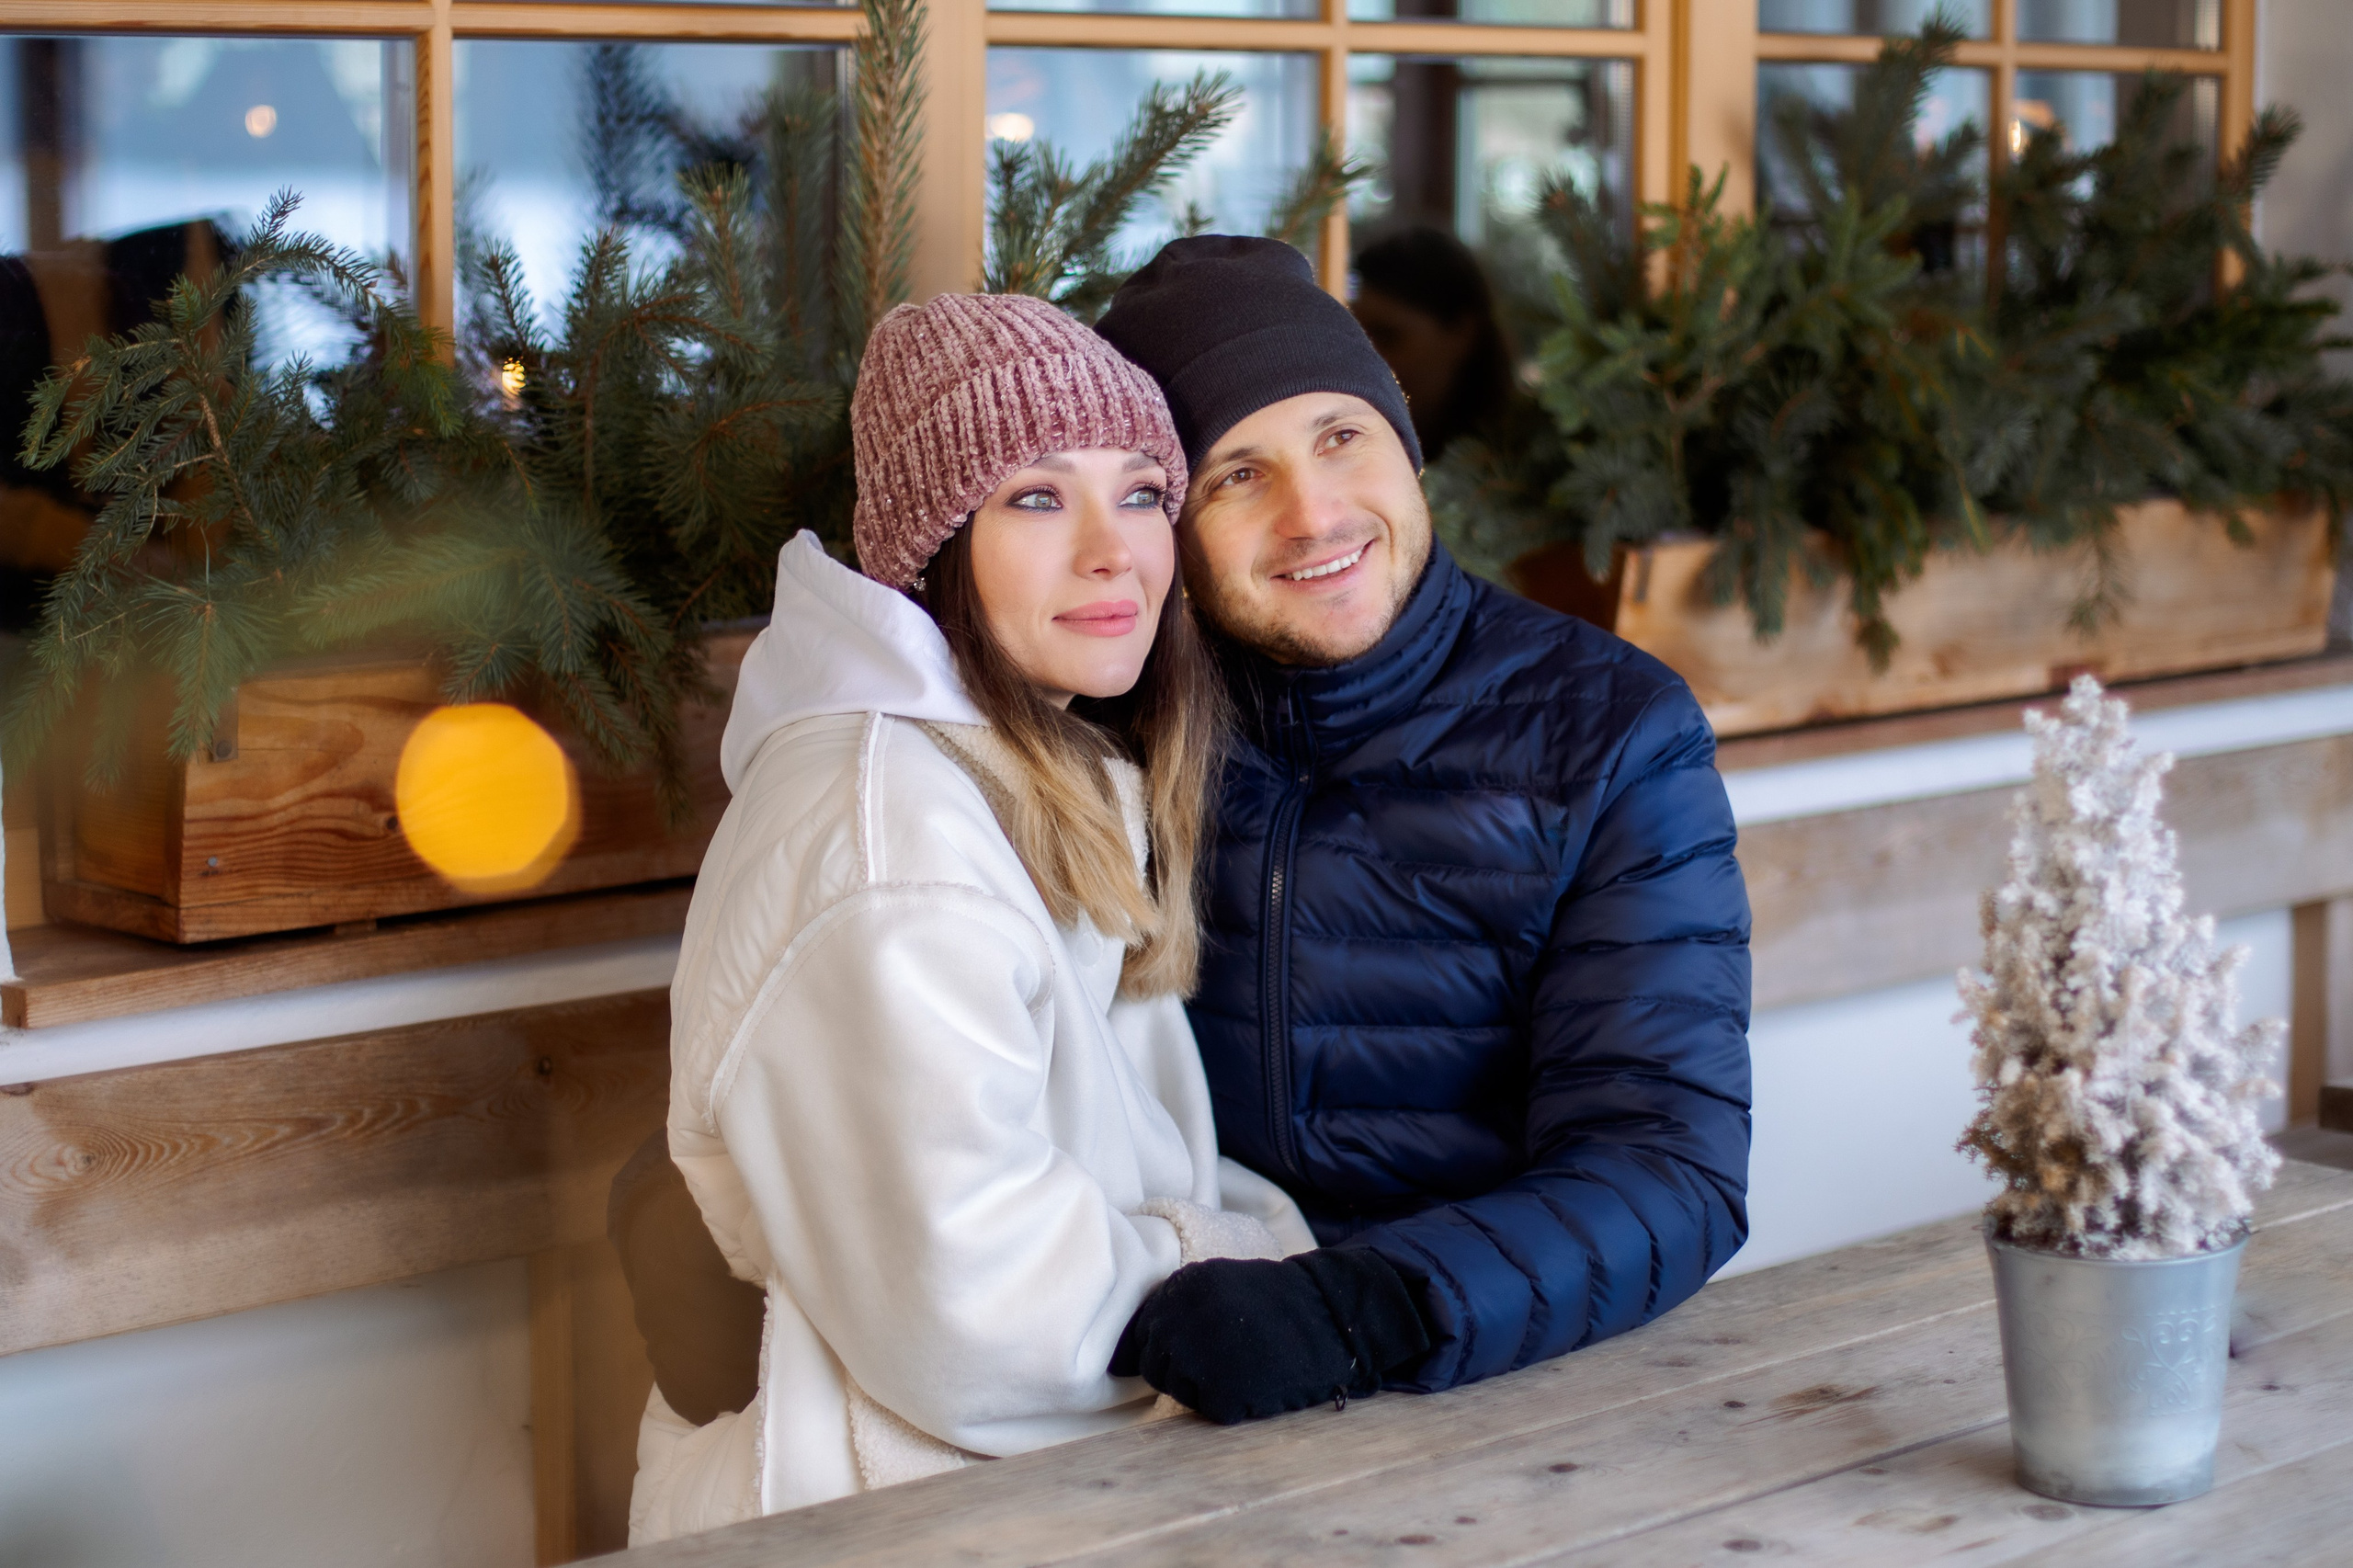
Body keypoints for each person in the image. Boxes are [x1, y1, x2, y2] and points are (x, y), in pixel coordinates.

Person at [624, 292, 1427, 1543]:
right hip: (900, 1502)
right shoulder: (892, 851)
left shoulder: (1031, 771)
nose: (1114, 550)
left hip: (1045, 1472)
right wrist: (1233, 1271)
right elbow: (973, 1298)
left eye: (1143, 492)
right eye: (1038, 498)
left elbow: (1125, 1160)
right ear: (933, 546)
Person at [1093, 235, 1753, 1410]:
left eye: (1339, 435)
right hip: (1163, 1346)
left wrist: (1363, 1306)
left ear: (1403, 433)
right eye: (1234, 474)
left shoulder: (1609, 733)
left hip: (1493, 1358)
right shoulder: (1113, 738)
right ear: (1168, 529)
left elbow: (1668, 1166)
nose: (1313, 513)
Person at [1347, 224, 1518, 466]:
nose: (1366, 358)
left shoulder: (1522, 474)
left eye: (1387, 337)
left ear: (1462, 332)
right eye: (1356, 335)